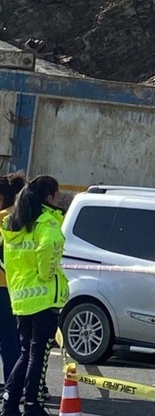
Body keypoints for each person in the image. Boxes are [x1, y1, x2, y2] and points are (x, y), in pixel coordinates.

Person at [1, 176, 68, 416]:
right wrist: (47, 272)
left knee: (25, 354)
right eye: (57, 195)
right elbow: (50, 244)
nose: (59, 199)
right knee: (37, 356)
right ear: (49, 197)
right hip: (43, 298)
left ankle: (10, 404)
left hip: (21, 297)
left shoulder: (13, 223)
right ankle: (32, 405)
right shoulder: (45, 222)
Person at [0, 172, 26, 390]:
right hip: (15, 286)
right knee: (12, 339)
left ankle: (11, 384)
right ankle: (13, 383)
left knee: (7, 339)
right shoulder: (22, 218)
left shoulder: (2, 218)